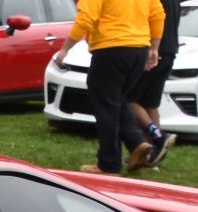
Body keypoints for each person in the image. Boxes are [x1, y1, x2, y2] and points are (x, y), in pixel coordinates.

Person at [54, 0, 164, 175]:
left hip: (111, 50)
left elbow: (85, 18)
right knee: (118, 99)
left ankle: (108, 164)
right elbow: (158, 14)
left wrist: (65, 49)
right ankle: (137, 143)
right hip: (139, 50)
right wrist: (154, 48)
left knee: (105, 106)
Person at [125, 0, 179, 168]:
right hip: (170, 50)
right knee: (150, 103)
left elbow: (149, 18)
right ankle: (153, 154)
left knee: (128, 98)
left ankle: (158, 136)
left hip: (153, 50)